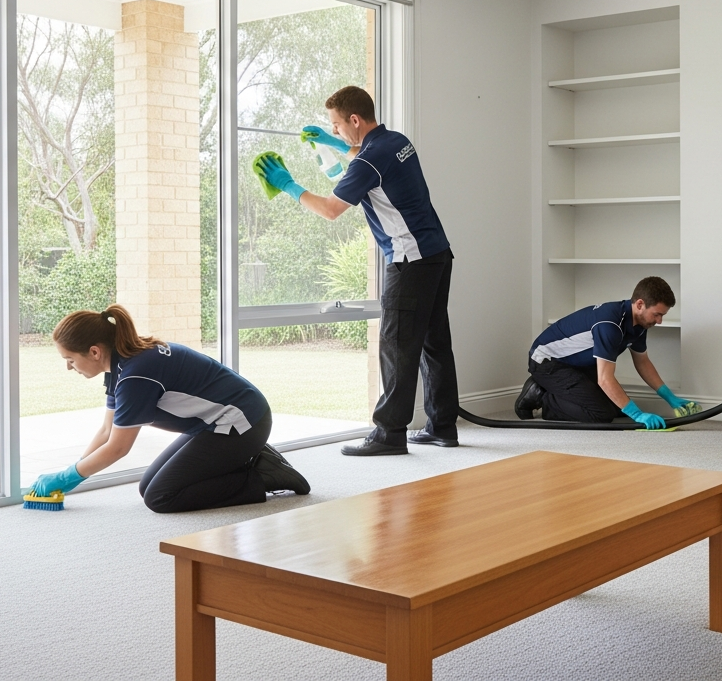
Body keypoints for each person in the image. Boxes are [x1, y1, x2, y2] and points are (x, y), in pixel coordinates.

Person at [259, 85, 459, 456]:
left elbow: (331, 209)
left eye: (336, 126)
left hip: (409, 258)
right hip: (437, 252)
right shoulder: (396, 141)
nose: (334, 132)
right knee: (434, 343)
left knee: (396, 345)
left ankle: (389, 434)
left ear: (354, 119)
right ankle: (442, 425)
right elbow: (364, 153)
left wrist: (287, 185)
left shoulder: (367, 162)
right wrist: (335, 145)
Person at [28, 305, 310, 513]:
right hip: (216, 424)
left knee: (161, 497)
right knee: (147, 487)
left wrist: (68, 477)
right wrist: (71, 470)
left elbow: (117, 447)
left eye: (69, 359)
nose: (68, 367)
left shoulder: (135, 375)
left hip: (243, 424)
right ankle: (251, 458)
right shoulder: (122, 364)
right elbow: (105, 430)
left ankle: (265, 476)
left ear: (94, 351)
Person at [513, 277, 698, 428]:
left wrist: (669, 397)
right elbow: (605, 379)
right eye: (657, 314)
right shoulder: (610, 324)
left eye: (662, 315)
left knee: (616, 408)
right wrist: (637, 414)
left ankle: (552, 391)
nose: (659, 321)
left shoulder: (639, 324)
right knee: (600, 414)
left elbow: (643, 362)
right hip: (547, 363)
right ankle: (540, 395)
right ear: (640, 304)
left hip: (577, 364)